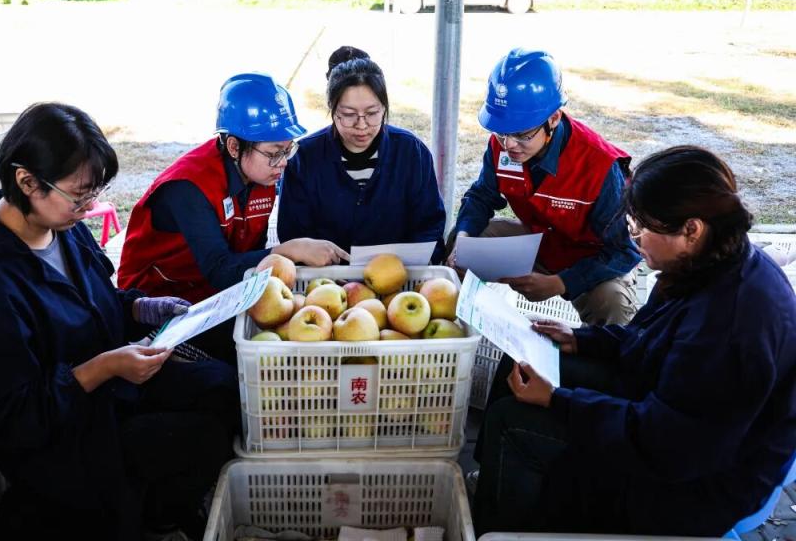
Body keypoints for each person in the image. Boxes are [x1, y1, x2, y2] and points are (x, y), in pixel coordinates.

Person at [0, 103, 240, 540]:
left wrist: (139, 307)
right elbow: (17, 419)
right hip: (64, 440)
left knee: (223, 387)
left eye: (94, 191)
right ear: (27, 181)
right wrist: (103, 368)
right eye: (80, 195)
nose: (91, 206)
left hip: (110, 390)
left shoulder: (61, 224)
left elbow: (96, 302)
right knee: (199, 437)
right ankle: (141, 516)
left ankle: (158, 506)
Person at [472, 146, 796, 537]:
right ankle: (493, 479)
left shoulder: (732, 325)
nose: (635, 236)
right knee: (519, 361)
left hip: (695, 482)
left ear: (691, 230)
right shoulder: (708, 263)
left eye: (643, 225)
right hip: (662, 408)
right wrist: (581, 340)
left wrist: (557, 401)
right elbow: (648, 339)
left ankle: (504, 524)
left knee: (514, 423)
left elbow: (667, 442)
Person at [117, 73, 347, 356]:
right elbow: (219, 270)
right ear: (234, 147)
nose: (283, 163)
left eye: (289, 150)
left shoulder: (261, 176)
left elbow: (247, 255)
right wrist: (290, 250)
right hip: (159, 305)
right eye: (274, 153)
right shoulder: (189, 188)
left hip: (215, 297)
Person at [447, 48, 640, 325]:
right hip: (539, 241)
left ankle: (596, 363)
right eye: (501, 132)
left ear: (554, 119)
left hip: (592, 257)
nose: (509, 145)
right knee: (462, 250)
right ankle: (458, 334)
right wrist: (463, 237)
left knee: (612, 304)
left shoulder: (600, 166)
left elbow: (623, 251)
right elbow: (481, 196)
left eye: (522, 134)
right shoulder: (501, 146)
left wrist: (560, 283)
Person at [278, 49, 446, 263]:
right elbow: (293, 237)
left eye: (372, 113)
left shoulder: (412, 153)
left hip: (398, 281)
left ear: (384, 107)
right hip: (325, 285)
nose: (362, 125)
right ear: (332, 108)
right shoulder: (304, 159)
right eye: (348, 115)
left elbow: (429, 227)